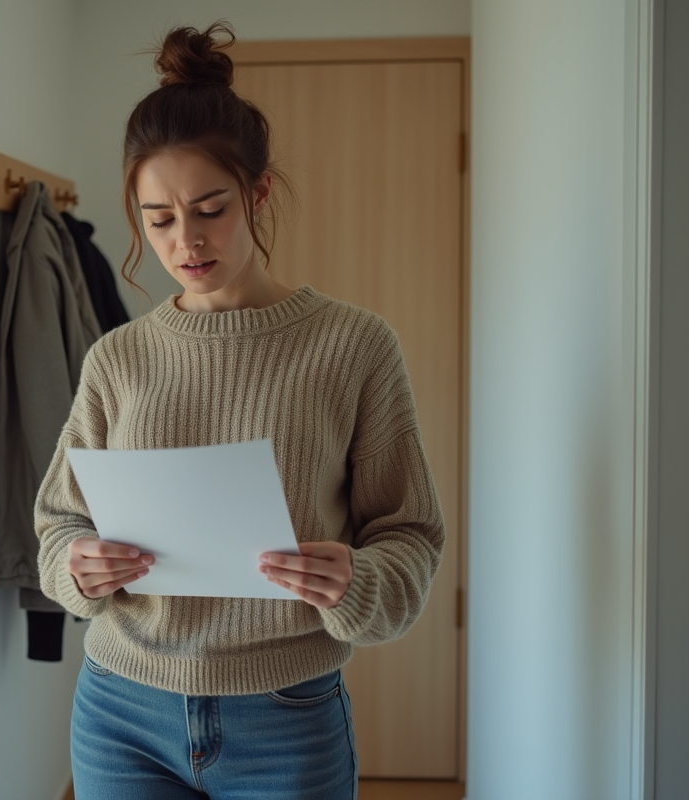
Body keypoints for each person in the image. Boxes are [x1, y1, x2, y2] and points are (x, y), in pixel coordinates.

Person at [34, 21, 445, 800]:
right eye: (157, 219)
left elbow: (411, 537)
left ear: (258, 194)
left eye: (209, 208)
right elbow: (59, 524)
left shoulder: (355, 347)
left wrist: (358, 579)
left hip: (284, 718)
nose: (185, 240)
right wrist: (77, 566)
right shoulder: (117, 359)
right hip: (120, 710)